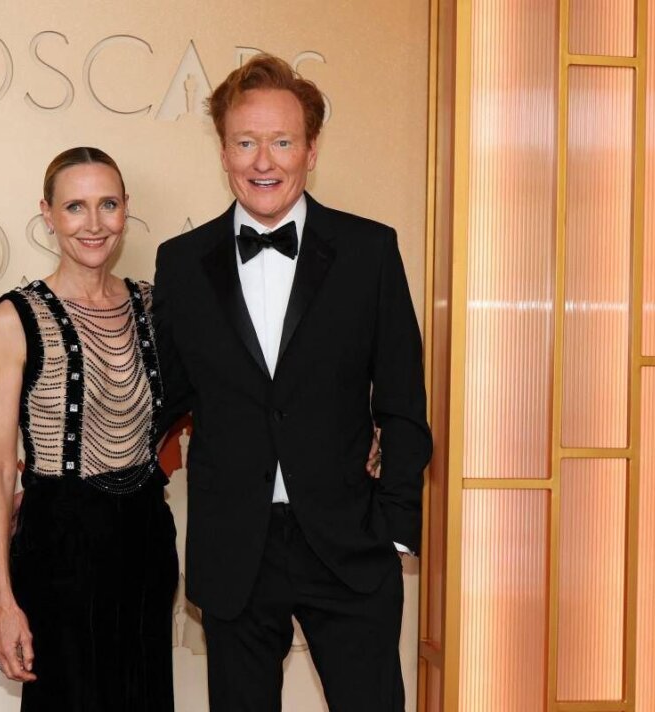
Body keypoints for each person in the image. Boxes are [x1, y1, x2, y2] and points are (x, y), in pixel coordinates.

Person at [152, 55, 432, 711]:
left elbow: (403, 401)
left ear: (311, 149)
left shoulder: (369, 251)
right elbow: (164, 402)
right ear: (223, 151)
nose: (263, 161)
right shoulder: (182, 263)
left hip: (349, 546)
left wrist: (394, 529)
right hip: (234, 551)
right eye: (245, 142)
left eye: (281, 141)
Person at [0, 147, 178, 712]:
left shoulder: (155, 307)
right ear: (47, 214)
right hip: (59, 544)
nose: (94, 224)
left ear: (125, 209)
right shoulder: (15, 317)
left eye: (107, 204)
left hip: (145, 536)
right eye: (75, 207)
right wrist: (3, 602)